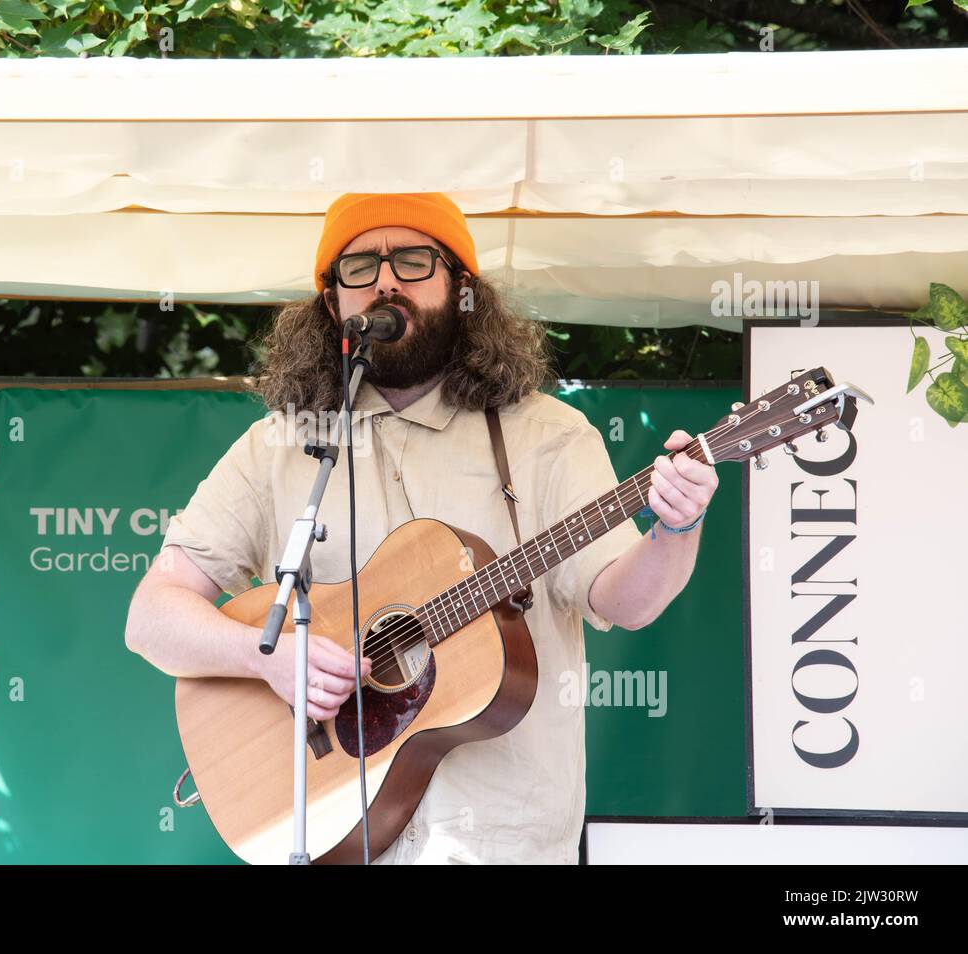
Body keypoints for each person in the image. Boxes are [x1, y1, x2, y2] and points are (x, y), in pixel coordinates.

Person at [124, 192, 718, 864]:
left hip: (500, 843)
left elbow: (627, 602)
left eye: (412, 260)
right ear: (332, 305)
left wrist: (677, 524)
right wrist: (268, 661)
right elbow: (151, 617)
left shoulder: (549, 437)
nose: (385, 281)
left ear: (462, 289)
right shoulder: (281, 447)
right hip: (329, 833)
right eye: (360, 268)